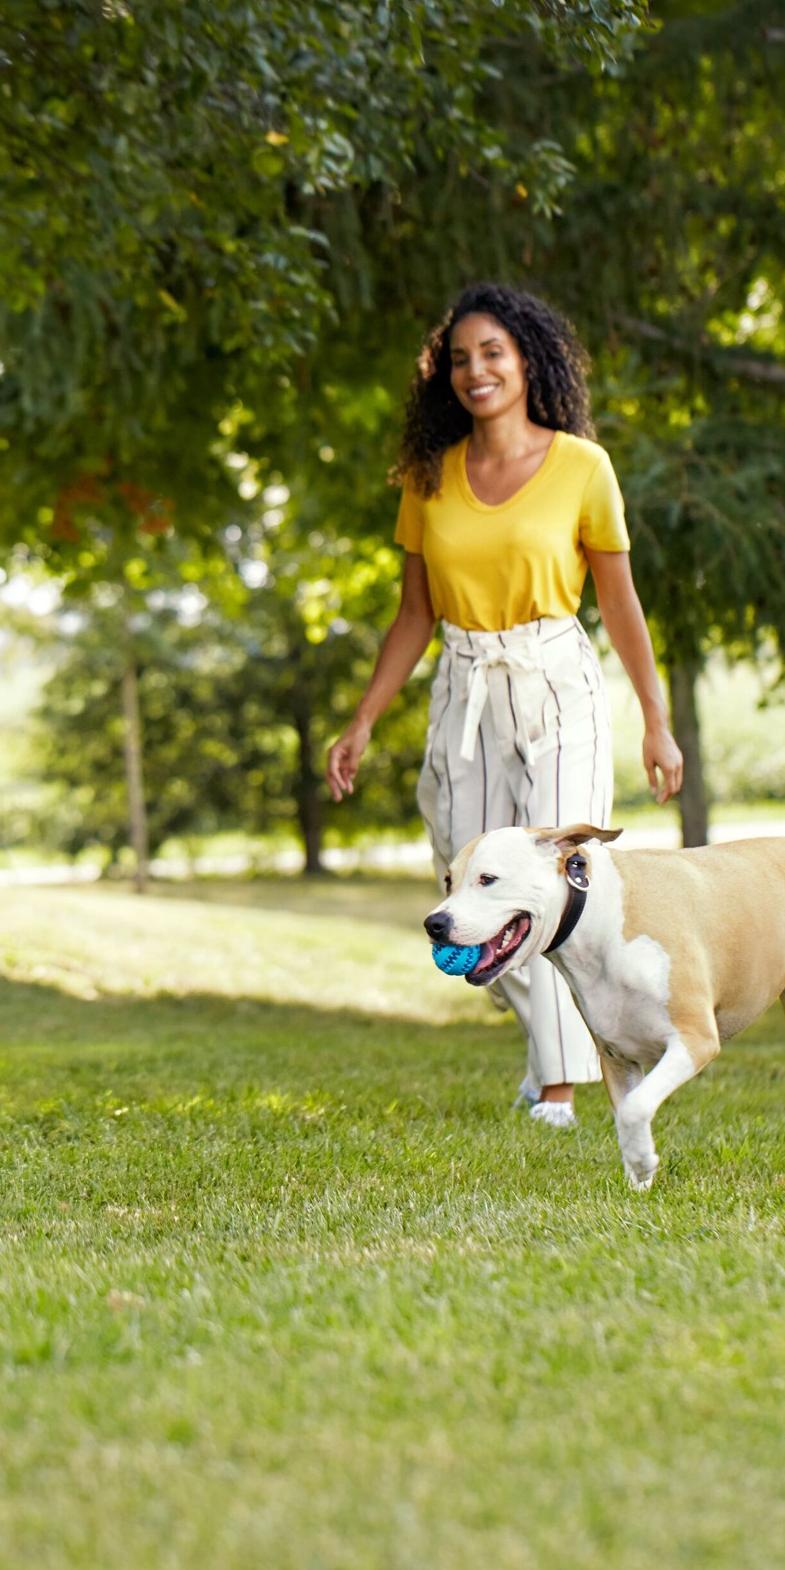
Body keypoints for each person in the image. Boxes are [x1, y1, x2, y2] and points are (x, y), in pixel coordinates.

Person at [326, 283, 684, 1127]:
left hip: (557, 677)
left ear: (529, 359)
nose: (476, 370)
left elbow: (621, 604)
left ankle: (559, 1091)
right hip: (463, 687)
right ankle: (544, 1052)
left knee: (559, 875)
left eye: (493, 352)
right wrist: (364, 719)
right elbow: (413, 612)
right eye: (459, 358)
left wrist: (656, 719)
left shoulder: (582, 467)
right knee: (471, 891)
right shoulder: (428, 477)